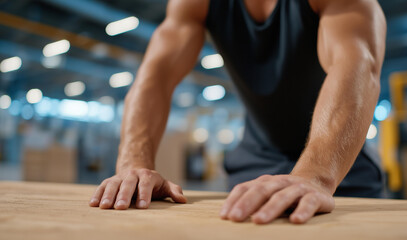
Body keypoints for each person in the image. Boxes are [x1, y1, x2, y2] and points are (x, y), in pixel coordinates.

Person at [89, 0, 386, 224]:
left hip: (341, 168)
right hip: (254, 166)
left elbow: (358, 65)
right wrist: (134, 165)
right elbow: (157, 76)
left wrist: (317, 177)